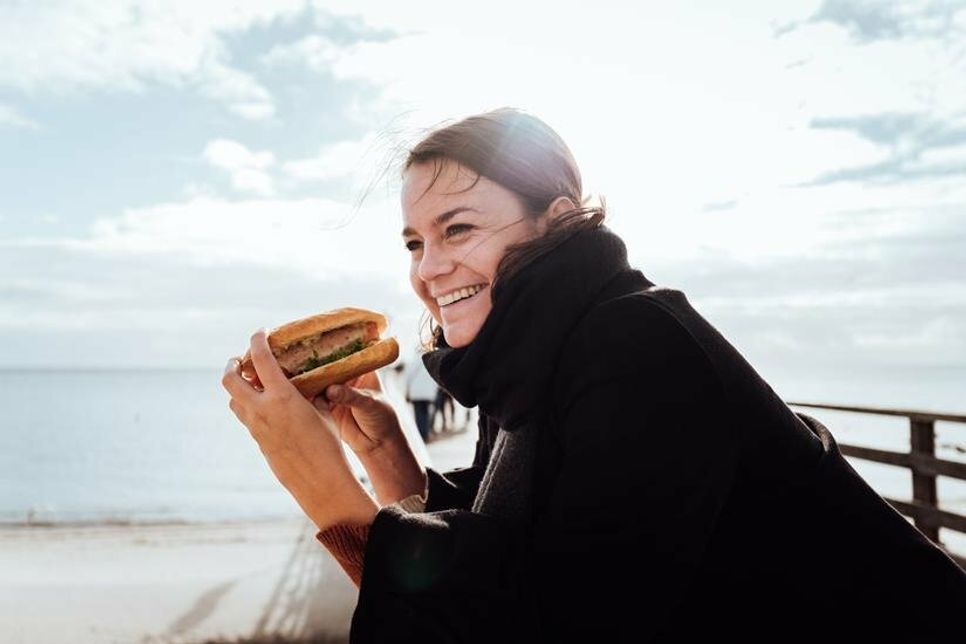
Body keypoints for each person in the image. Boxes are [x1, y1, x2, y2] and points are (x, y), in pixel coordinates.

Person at [221, 107, 966, 643]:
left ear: (559, 219)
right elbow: (516, 547)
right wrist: (387, 456)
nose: (429, 269)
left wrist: (321, 489)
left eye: (460, 228)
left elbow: (552, 623)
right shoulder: (530, 354)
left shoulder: (638, 344)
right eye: (415, 241)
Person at [403, 352, 438, 442]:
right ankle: (425, 434)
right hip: (428, 392)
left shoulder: (415, 359)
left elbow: (408, 375)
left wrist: (407, 390)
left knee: (419, 414)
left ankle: (421, 435)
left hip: (416, 392)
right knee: (426, 413)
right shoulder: (431, 359)